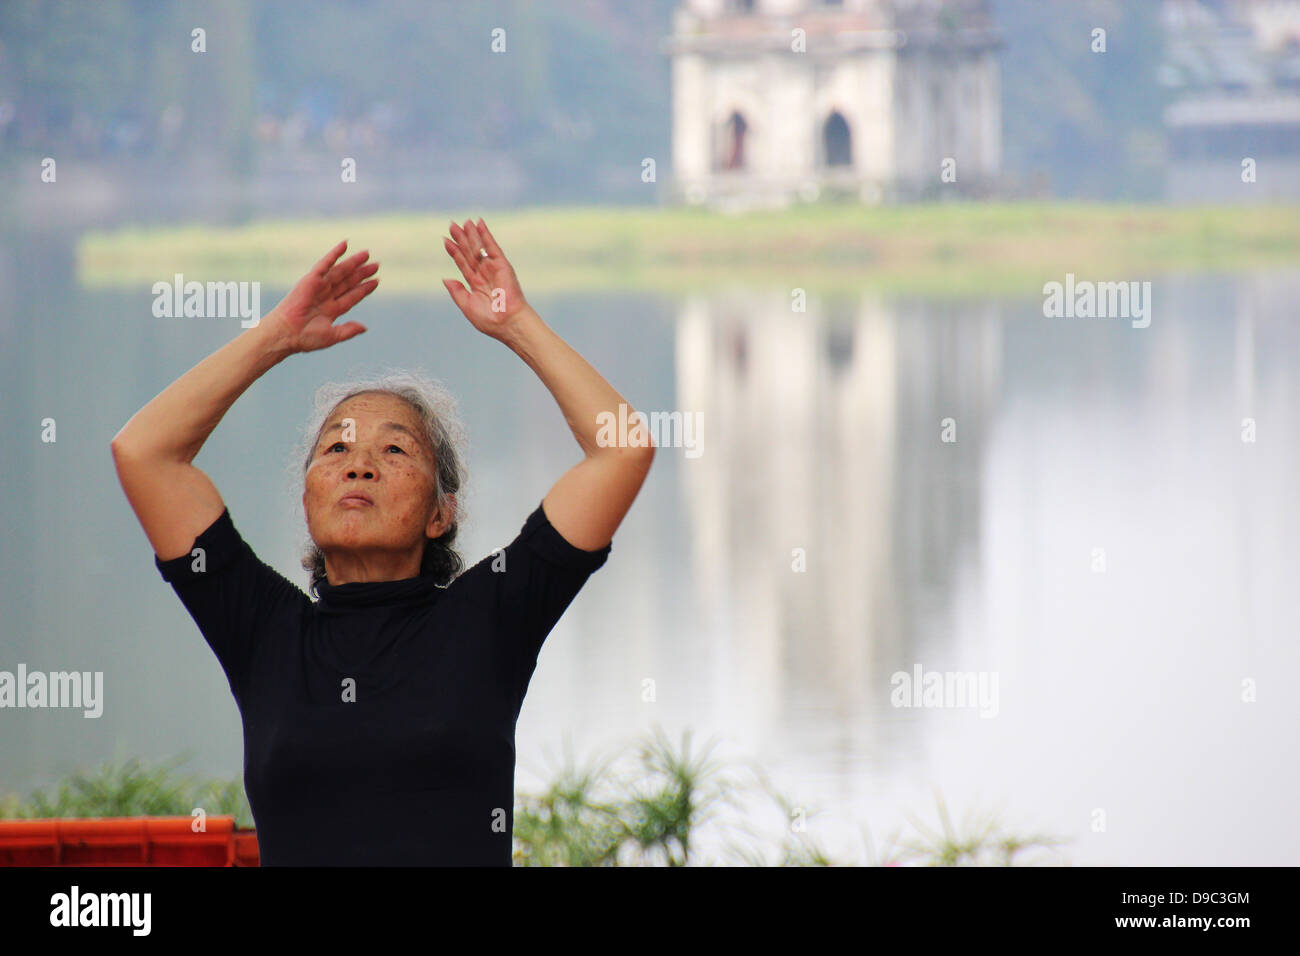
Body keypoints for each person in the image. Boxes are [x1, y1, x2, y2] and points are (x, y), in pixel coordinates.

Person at [110, 219, 654, 865]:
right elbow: (146, 454)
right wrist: (275, 338)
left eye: (393, 449)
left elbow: (622, 448)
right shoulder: (263, 631)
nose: (358, 465)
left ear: (439, 513)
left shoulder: (490, 616)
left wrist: (516, 324)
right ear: (306, 497)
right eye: (336, 448)